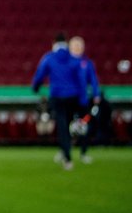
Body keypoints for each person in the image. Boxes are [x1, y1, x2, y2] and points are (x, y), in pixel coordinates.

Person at [32, 33, 82, 170]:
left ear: (53, 42)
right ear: (66, 42)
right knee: (70, 124)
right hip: (73, 97)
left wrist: (36, 87)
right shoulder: (74, 58)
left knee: (62, 126)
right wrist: (83, 99)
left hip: (58, 96)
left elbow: (40, 75)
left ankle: (67, 158)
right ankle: (67, 149)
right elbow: (81, 79)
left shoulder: (49, 57)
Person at [69, 35, 102, 163]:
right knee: (66, 125)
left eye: (79, 45)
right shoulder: (66, 63)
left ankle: (83, 152)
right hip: (68, 99)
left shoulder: (87, 63)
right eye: (75, 45)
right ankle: (66, 151)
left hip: (82, 100)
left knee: (84, 125)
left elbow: (93, 80)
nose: (77, 48)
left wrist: (96, 94)